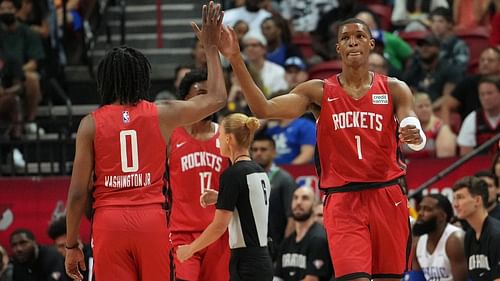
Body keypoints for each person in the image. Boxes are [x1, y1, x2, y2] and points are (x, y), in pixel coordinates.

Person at [217, 15, 426, 280]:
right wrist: (236, 58)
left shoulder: (395, 88)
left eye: (359, 36)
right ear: (337, 48)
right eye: (345, 38)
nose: (352, 42)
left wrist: (414, 134)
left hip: (388, 196)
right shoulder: (318, 91)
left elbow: (415, 132)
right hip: (343, 200)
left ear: (371, 44)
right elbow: (263, 109)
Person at [64, 2, 228, 280]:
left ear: (104, 80)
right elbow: (217, 99)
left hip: (109, 220)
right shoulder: (162, 113)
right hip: (151, 219)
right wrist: (211, 49)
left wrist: (71, 245)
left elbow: (78, 193)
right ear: (142, 76)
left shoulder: (90, 123)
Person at [177, 113, 273, 281]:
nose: (218, 141)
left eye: (220, 136)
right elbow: (249, 202)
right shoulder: (259, 170)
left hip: (245, 263)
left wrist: (190, 250)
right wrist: (222, 197)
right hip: (263, 258)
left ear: (228, 139)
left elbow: (219, 226)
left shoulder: (232, 174)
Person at [168, 69, 231, 281]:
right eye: (200, 94)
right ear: (185, 100)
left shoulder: (226, 136)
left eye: (209, 94)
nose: (207, 100)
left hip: (219, 232)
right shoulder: (170, 137)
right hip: (182, 234)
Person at [250, 134, 296, 258]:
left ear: (274, 152)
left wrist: (282, 249)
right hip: (253, 246)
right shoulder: (248, 178)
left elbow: (292, 219)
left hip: (276, 247)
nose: (258, 153)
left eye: (263, 149)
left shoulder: (285, 180)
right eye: (255, 150)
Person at [274, 186, 333, 281]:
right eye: (295, 198)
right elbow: (277, 277)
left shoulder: (318, 239)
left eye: (305, 198)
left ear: (314, 205)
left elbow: (312, 279)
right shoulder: (287, 242)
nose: (298, 202)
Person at [452, 176, 500, 281]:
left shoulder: (496, 235)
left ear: (477, 200)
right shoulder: (469, 235)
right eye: (454, 198)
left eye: (460, 197)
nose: (455, 204)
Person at [410, 194, 467, 281]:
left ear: (442, 216)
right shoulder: (417, 242)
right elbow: (417, 278)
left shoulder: (454, 240)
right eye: (420, 208)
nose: (420, 213)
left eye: (427, 209)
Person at [402, 92, 456, 158]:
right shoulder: (406, 125)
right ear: (413, 110)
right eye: (420, 106)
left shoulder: (440, 127)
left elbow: (445, 158)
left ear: (431, 108)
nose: (424, 109)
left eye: (427, 106)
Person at [457, 77, 500, 156]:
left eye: (489, 93)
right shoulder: (472, 119)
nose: (486, 98)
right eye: (482, 94)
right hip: (481, 165)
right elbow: (465, 156)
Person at [47, 216, 92, 281]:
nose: (66, 249)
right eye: (61, 246)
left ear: (78, 238)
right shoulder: (55, 265)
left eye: (68, 245)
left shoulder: (93, 256)